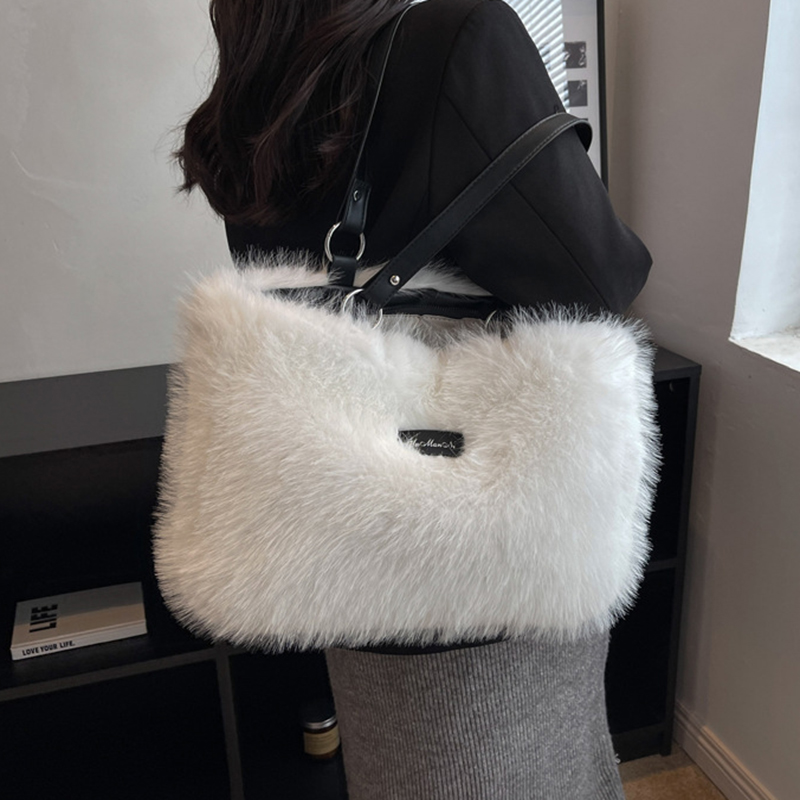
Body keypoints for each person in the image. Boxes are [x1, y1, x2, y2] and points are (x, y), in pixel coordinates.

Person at [176, 1, 652, 797]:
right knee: (517, 768)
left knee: (397, 768)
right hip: (485, 522)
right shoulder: (459, 38)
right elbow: (600, 278)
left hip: (349, 527)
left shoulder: (266, 68)